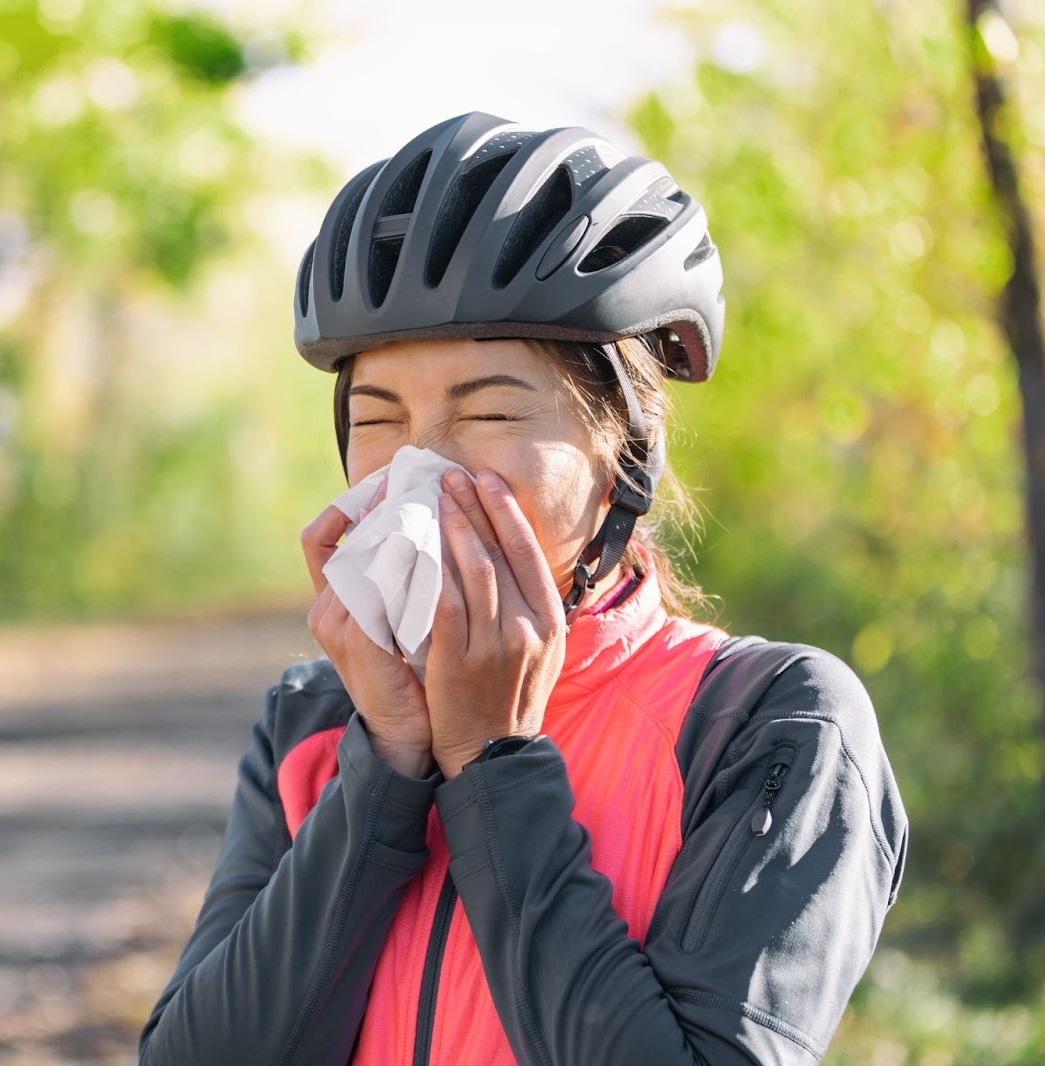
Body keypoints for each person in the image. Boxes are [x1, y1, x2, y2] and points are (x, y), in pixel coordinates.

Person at [138, 112, 907, 1065]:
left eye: (491, 409)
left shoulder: (768, 724)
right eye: (378, 419)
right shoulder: (311, 722)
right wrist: (386, 766)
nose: (418, 468)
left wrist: (492, 759)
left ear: (626, 450)